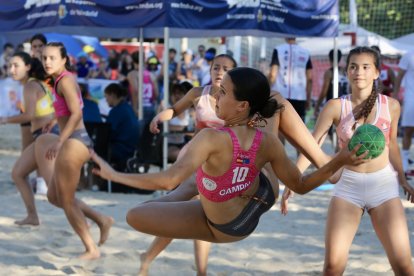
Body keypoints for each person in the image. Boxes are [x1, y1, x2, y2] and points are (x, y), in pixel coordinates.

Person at [91, 68, 366, 270]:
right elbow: (301, 185)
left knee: (136, 214)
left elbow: (167, 179)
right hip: (260, 195)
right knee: (276, 103)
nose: (216, 98)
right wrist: (340, 160)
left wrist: (113, 174)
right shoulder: (267, 141)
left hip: (226, 227)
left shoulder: (211, 138)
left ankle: (326, 162)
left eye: (222, 93)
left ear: (242, 104)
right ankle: (327, 162)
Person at [285, 46, 414, 275]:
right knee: (332, 266)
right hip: (348, 186)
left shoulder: (391, 106)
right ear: (346, 71)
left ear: (376, 72)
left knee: (404, 266)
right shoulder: (336, 106)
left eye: (366, 67)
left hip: (383, 186)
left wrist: (403, 180)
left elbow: (392, 144)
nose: (359, 72)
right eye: (353, 66)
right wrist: (293, 182)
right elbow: (311, 145)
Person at [142, 54, 237, 276]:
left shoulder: (237, 100)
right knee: (192, 212)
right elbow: (175, 110)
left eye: (225, 69)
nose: (219, 72)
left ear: (233, 73)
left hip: (221, 164)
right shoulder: (198, 93)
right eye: (216, 67)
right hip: (194, 159)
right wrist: (159, 117)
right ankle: (198, 271)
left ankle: (148, 257)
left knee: (197, 217)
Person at [34, 42, 114, 259]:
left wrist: (60, 141)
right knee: (53, 196)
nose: (47, 62)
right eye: (44, 58)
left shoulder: (65, 81)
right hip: (75, 140)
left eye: (52, 58)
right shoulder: (60, 80)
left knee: (67, 201)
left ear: (63, 60)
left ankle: (91, 249)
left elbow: (77, 113)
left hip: (74, 142)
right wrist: (53, 120)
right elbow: (68, 110)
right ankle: (101, 219)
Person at [0, 52, 57, 225]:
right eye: (9, 66)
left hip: (46, 137)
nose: (11, 70)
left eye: (16, 65)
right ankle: (32, 216)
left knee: (56, 193)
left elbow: (29, 116)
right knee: (18, 173)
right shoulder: (36, 84)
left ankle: (97, 218)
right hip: (44, 136)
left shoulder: (31, 86)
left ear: (28, 67)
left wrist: (5, 119)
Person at [268, 37, 313, 122]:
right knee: (298, 128)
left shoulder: (278, 49)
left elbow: (273, 74)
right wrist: (308, 98)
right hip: (300, 97)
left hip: (279, 96)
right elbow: (309, 78)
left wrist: (267, 93)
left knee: (277, 127)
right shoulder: (305, 52)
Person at [313, 49, 348, 149]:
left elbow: (324, 91)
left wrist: (317, 106)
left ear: (329, 58)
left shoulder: (329, 72)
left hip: (333, 105)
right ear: (340, 58)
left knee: (329, 131)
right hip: (345, 104)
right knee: (340, 132)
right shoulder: (346, 72)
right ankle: (339, 150)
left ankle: (338, 151)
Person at [104, 82, 139, 168]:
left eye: (106, 96)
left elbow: (107, 134)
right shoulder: (128, 107)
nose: (106, 99)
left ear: (112, 95)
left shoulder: (116, 111)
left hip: (121, 150)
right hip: (132, 148)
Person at [393, 50, 414, 178]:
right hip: (411, 97)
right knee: (408, 130)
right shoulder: (409, 55)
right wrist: (395, 95)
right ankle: (405, 163)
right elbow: (399, 75)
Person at [127, 51, 158, 125]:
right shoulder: (151, 74)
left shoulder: (132, 74)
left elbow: (135, 90)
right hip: (151, 107)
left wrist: (135, 108)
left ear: (133, 61)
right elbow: (156, 93)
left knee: (138, 134)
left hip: (139, 107)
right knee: (148, 135)